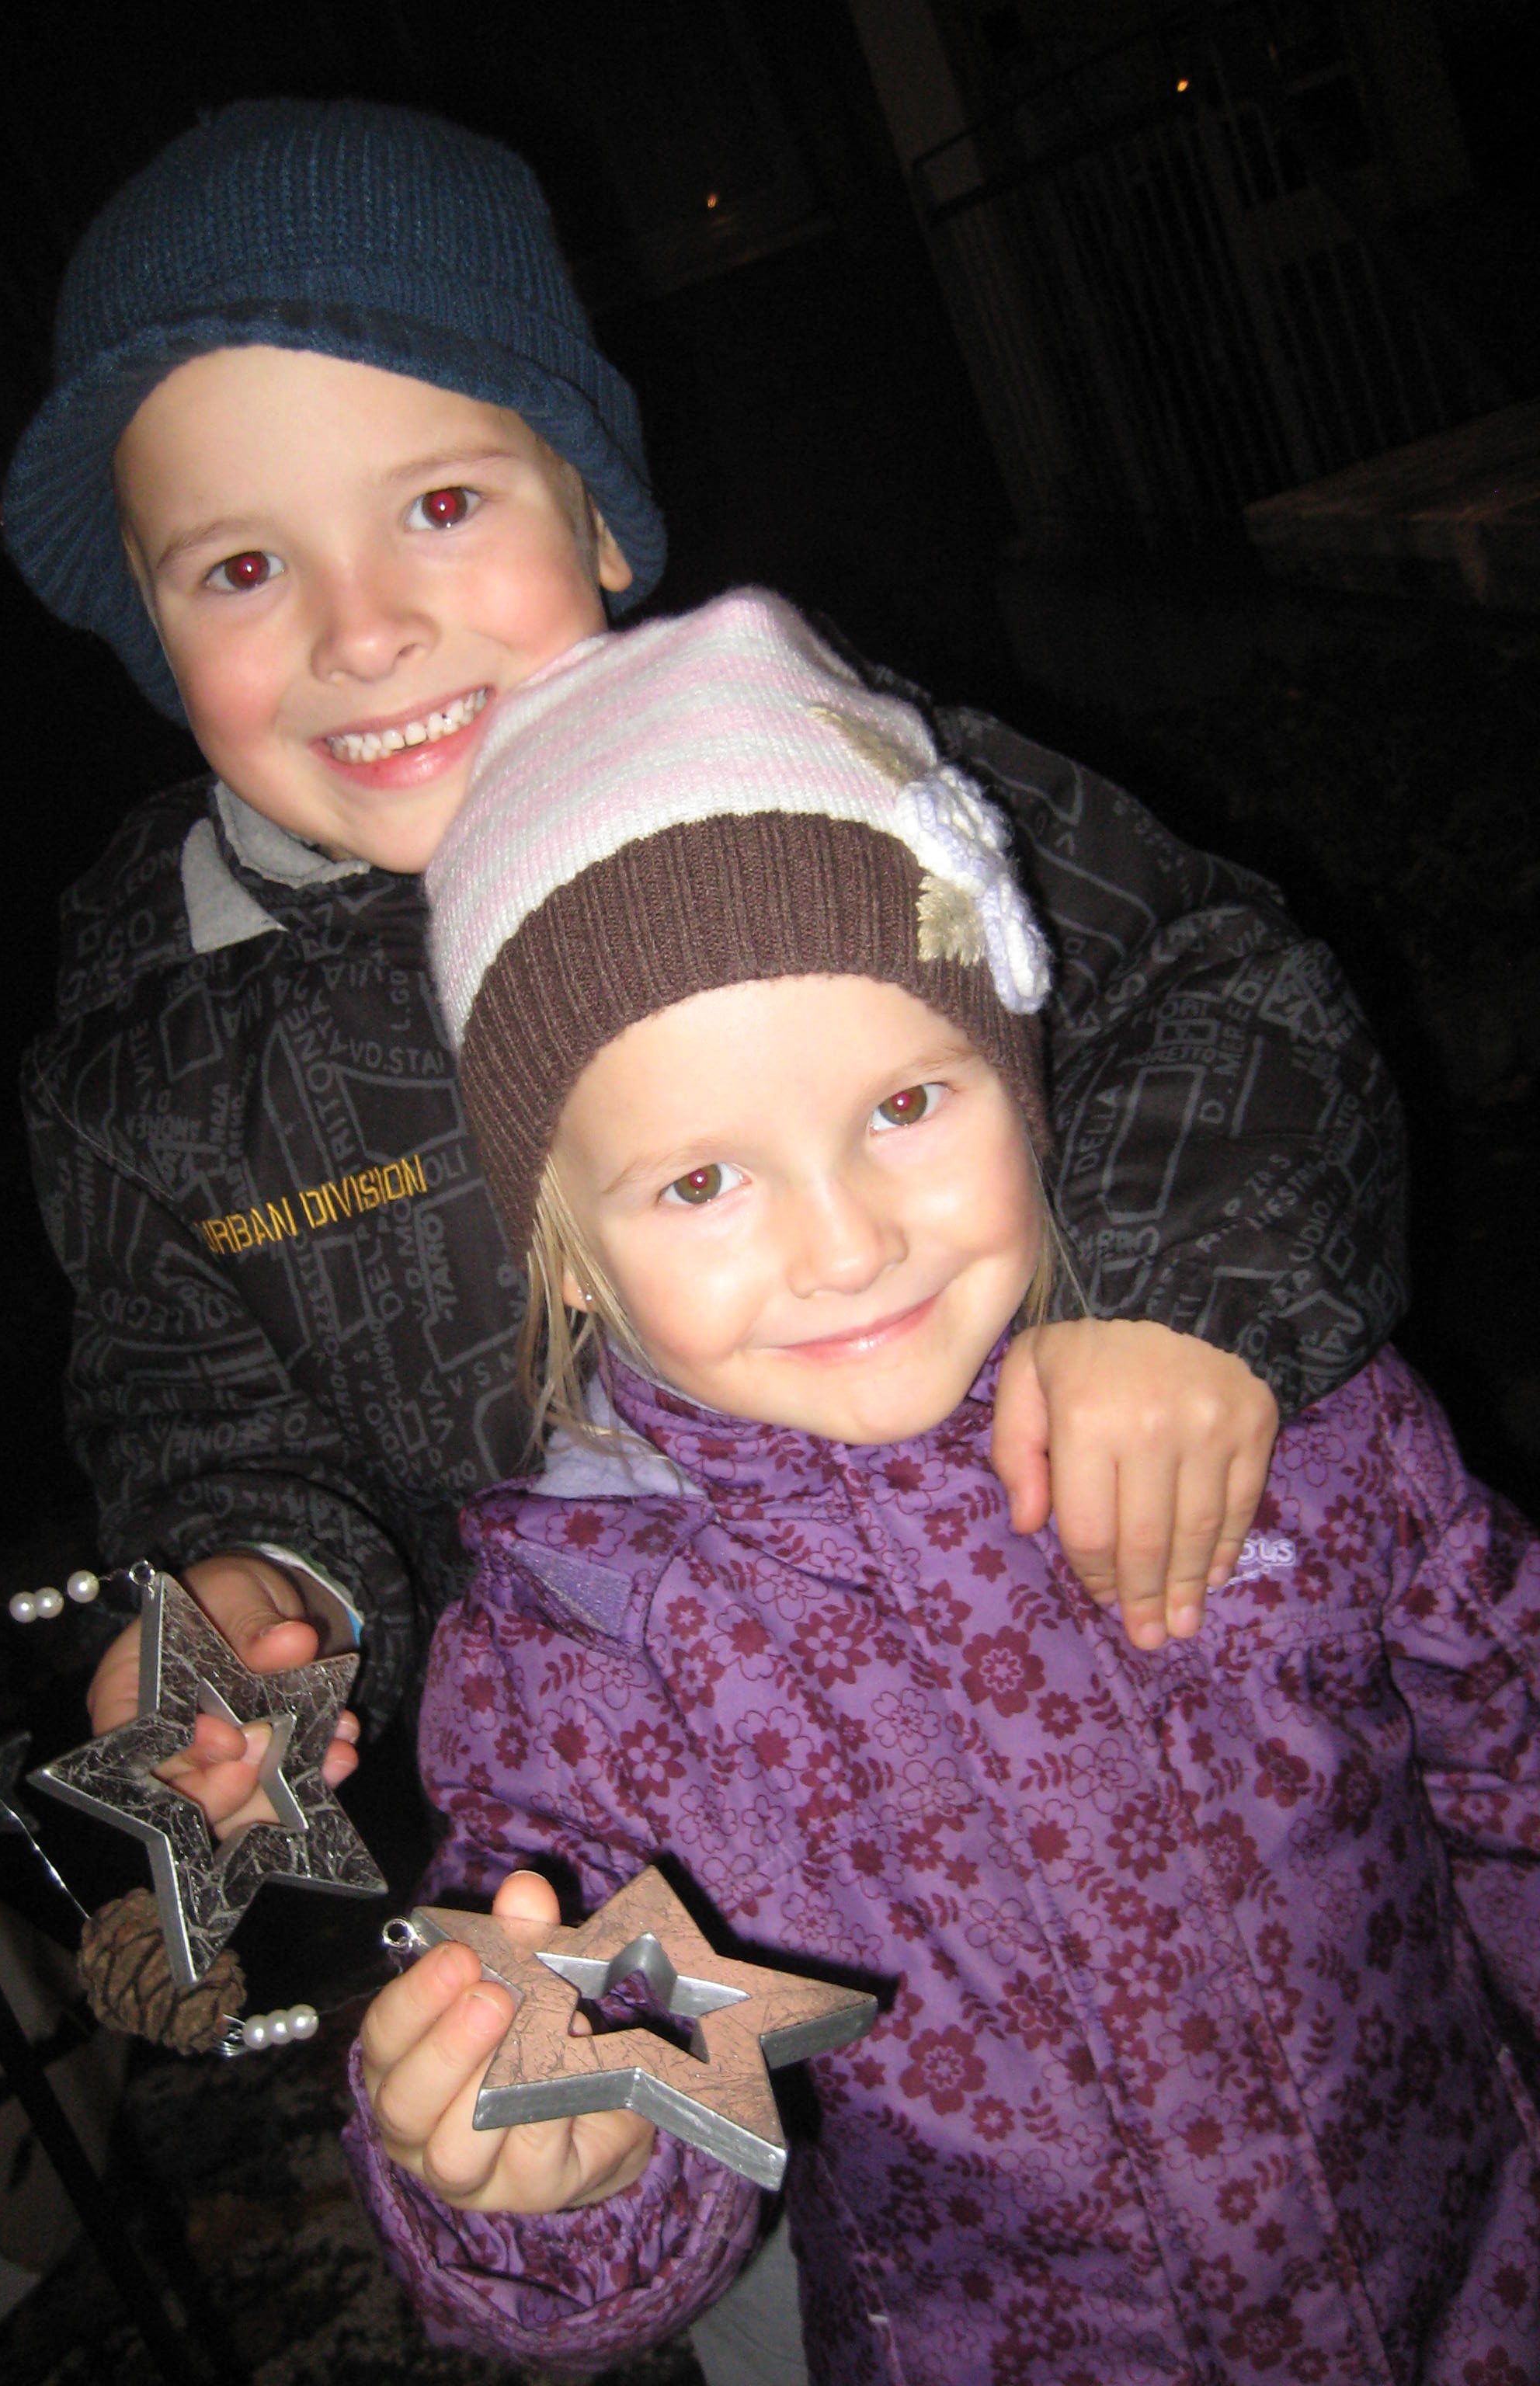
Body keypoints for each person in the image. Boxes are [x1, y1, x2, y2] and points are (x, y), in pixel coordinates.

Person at [2, 96, 1406, 1837]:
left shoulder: (832, 779)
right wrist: (258, 1595)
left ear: (597, 515)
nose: (361, 631)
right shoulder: (157, 1073)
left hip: (1120, 1674)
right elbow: (213, 1434)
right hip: (700, 1841)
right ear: (154, 632)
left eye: (441, 502)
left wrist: (1169, 1292)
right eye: (240, 567)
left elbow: (1221, 985)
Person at [345, 589, 1540, 2384]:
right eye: (700, 1184)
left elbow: (1515, 1758)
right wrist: (541, 2179)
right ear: (567, 1255)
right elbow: (601, 2096)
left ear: (1027, 1076)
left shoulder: (1285, 1418)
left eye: (908, 1106)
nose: (847, 1244)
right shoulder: (590, 1645)